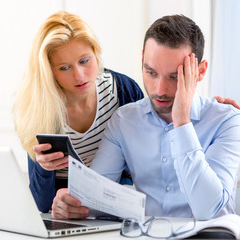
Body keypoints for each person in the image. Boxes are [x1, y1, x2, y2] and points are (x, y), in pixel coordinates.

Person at [50, 14, 240, 221]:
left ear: (200, 71)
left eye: (174, 77)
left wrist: (181, 122)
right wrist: (71, 204)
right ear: (142, 60)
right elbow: (94, 198)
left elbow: (209, 210)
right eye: (150, 72)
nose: (159, 90)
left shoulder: (227, 120)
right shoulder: (124, 121)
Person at [12, 11, 144, 213]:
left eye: (85, 61)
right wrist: (44, 168)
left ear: (96, 53)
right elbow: (42, 204)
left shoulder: (123, 91)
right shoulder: (41, 107)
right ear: (49, 72)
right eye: (64, 67)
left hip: (116, 209)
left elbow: (145, 167)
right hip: (69, 216)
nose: (79, 75)